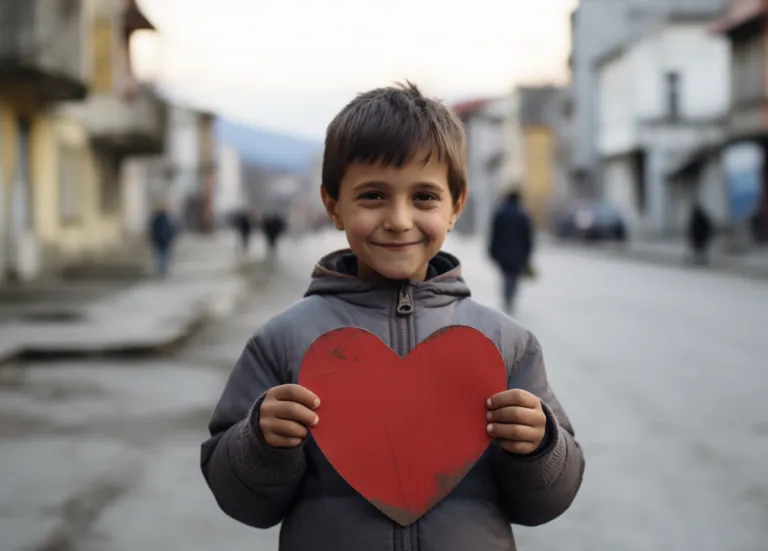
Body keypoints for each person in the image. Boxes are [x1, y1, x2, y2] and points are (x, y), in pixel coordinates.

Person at [200, 82, 584, 551]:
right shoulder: (283, 342)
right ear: (333, 205)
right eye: (373, 196)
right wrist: (260, 442)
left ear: (455, 206)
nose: (399, 219)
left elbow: (546, 502)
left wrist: (541, 446)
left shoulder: (506, 345)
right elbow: (242, 502)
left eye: (424, 197)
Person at [489, 189, 533, 314]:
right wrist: (528, 254)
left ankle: (506, 299)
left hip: (502, 253)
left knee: (505, 277)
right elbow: (528, 237)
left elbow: (494, 235)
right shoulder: (523, 215)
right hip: (518, 254)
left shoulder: (500, 214)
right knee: (514, 278)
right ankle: (511, 299)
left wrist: (492, 251)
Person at [148, 202, 176, 278]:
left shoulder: (168, 218)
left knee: (166, 256)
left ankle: (164, 270)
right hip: (159, 241)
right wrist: (154, 238)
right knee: (160, 256)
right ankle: (160, 271)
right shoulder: (156, 219)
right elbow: (153, 230)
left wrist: (171, 237)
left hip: (166, 241)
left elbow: (173, 228)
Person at [687, 202, 713, 266]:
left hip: (698, 237)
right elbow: (708, 227)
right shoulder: (703, 217)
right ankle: (702, 260)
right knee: (702, 250)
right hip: (702, 237)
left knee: (698, 250)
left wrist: (691, 236)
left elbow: (692, 229)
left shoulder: (695, 218)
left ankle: (698, 260)